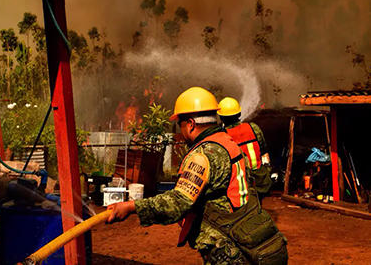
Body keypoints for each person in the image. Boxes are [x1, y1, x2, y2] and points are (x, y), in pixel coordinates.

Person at [107, 87, 287, 265]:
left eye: (181, 124)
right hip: (259, 241)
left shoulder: (203, 155)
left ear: (191, 124)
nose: (181, 129)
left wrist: (131, 206)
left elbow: (177, 203)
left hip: (235, 250)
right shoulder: (228, 143)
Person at [218, 97, 273, 200]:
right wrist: (268, 171)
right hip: (259, 181)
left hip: (239, 185)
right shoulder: (253, 128)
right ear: (239, 114)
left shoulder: (223, 136)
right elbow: (264, 152)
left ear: (221, 117)